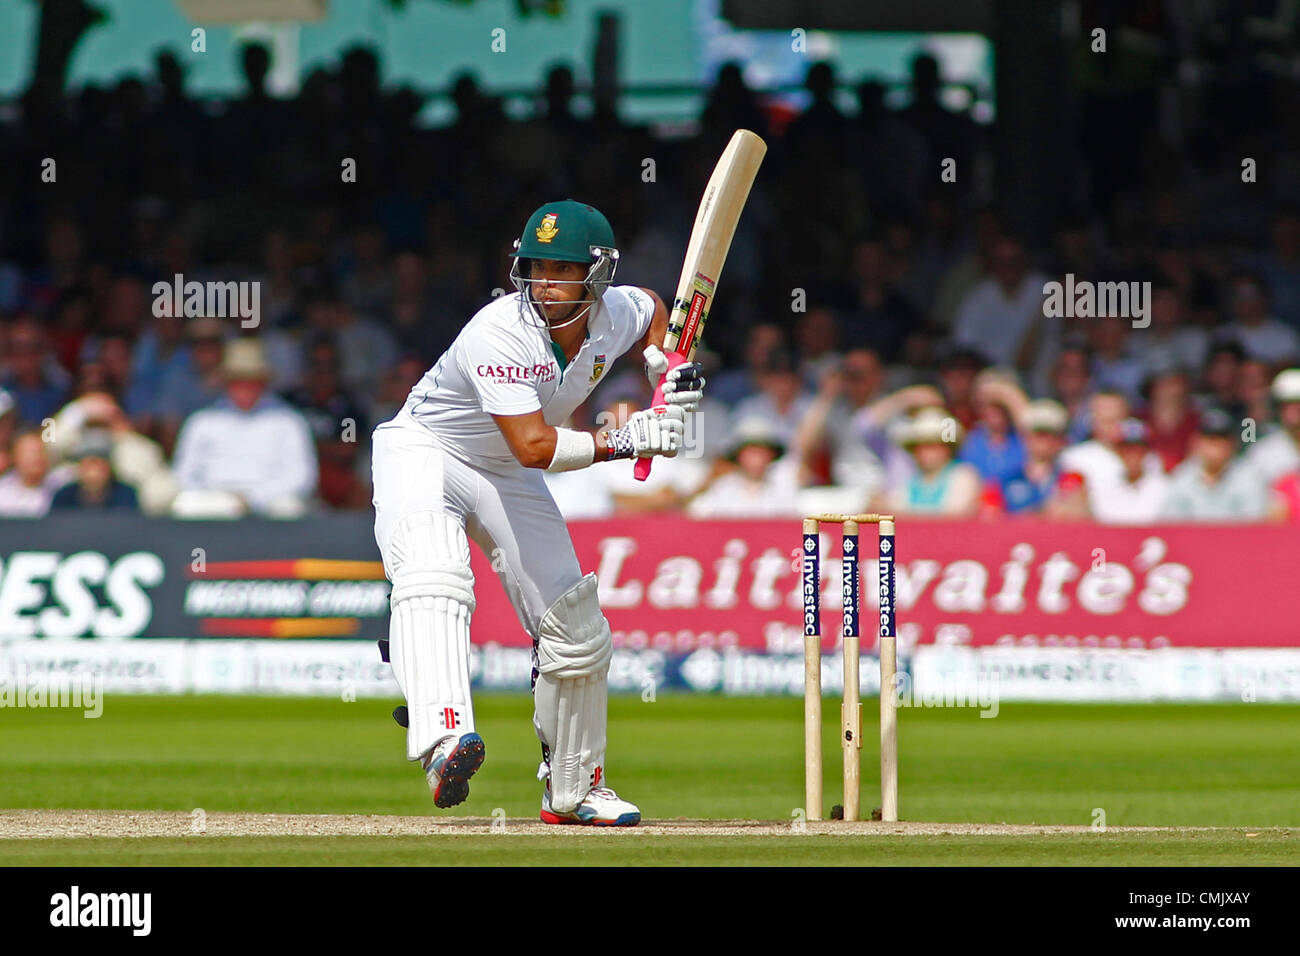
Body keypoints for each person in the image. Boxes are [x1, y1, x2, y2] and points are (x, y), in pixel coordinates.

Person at [370, 201, 702, 826]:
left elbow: (657, 308)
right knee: (435, 579)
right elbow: (537, 447)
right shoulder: (499, 330)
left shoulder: (617, 312)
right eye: (536, 267)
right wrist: (628, 439)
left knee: (577, 628)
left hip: (503, 469)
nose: (546, 283)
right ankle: (444, 738)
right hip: (425, 449)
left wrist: (665, 362)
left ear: (597, 275)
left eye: (563, 269)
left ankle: (575, 790)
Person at [171, 339, 318, 518]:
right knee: (185, 505)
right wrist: (223, 500)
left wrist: (252, 499)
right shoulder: (202, 422)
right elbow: (184, 474)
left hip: (269, 502)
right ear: (227, 382)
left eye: (251, 380)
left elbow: (301, 476)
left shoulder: (287, 421)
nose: (245, 388)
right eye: (238, 380)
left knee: (289, 507)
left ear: (263, 383)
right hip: (215, 501)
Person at [1161, 409, 1269, 521]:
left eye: (1222, 439)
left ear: (1233, 443)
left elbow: (1254, 525)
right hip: (1192, 538)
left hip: (1237, 538)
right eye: (1210, 439)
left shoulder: (1249, 477)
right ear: (1196, 442)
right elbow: (1172, 526)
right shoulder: (1182, 477)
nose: (1216, 446)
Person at [687, 417, 800, 518]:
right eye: (751, 452)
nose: (756, 459)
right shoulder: (724, 487)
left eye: (761, 452)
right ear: (739, 455)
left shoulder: (783, 485)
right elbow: (697, 512)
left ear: (771, 455)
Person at [880, 406, 981, 517]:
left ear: (947, 448)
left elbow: (954, 513)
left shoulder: (963, 475)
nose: (924, 452)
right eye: (920, 446)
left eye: (932, 445)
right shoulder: (911, 479)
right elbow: (891, 507)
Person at [1089, 419, 1169, 524]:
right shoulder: (1103, 487)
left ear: (1146, 451)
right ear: (1117, 452)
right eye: (1126, 449)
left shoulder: (1163, 488)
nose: (1132, 455)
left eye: (1137, 449)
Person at [50, 429, 139, 511]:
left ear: (109, 467)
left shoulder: (126, 495)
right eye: (88, 464)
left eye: (97, 464)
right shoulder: (64, 497)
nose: (93, 471)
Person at [0, 429, 70, 517]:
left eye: (39, 451)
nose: (36, 458)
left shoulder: (62, 485)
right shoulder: (2, 491)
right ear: (15, 457)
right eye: (29, 453)